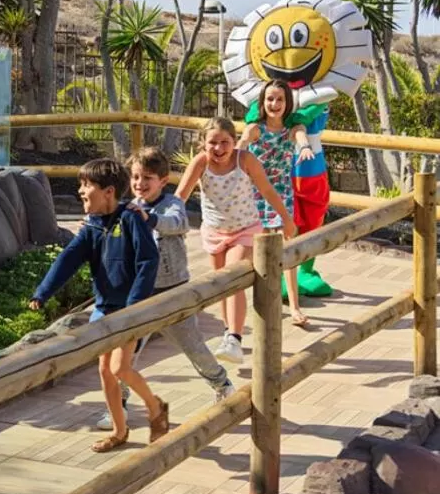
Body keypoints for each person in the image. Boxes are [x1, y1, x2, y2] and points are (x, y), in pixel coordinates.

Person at [29, 158, 169, 452]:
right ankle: (120, 431)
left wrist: (135, 306)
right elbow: (68, 259)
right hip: (104, 308)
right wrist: (43, 292)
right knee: (105, 370)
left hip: (130, 311)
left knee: (120, 367)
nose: (81, 191)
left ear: (108, 191)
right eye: (80, 184)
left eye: (86, 185)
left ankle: (155, 407)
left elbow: (148, 261)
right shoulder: (92, 227)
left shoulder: (131, 218)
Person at [90, 148, 234, 431]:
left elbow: (176, 225)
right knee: (124, 355)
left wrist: (149, 218)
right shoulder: (128, 208)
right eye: (135, 177)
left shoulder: (173, 205)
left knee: (192, 344)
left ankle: (221, 384)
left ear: (163, 181)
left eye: (147, 178)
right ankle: (118, 405)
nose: (140, 183)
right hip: (139, 295)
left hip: (173, 293)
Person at [175, 117, 298, 364]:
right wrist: (161, 222)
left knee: (233, 277)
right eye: (213, 143)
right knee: (222, 285)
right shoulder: (201, 163)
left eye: (225, 142)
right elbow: (180, 196)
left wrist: (286, 219)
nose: (219, 149)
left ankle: (235, 337)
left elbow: (267, 190)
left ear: (234, 142)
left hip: (245, 229)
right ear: (203, 144)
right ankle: (227, 333)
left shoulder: (246, 160)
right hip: (214, 231)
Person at [239, 80, 315, 327]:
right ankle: (256, 304)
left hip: (281, 194)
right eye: (270, 99)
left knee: (286, 248)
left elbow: (301, 136)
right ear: (262, 102)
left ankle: (294, 306)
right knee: (254, 250)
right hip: (254, 194)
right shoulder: (255, 129)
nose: (274, 104)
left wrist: (304, 147)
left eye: (280, 99)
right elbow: (241, 144)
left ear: (287, 103)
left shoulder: (292, 129)